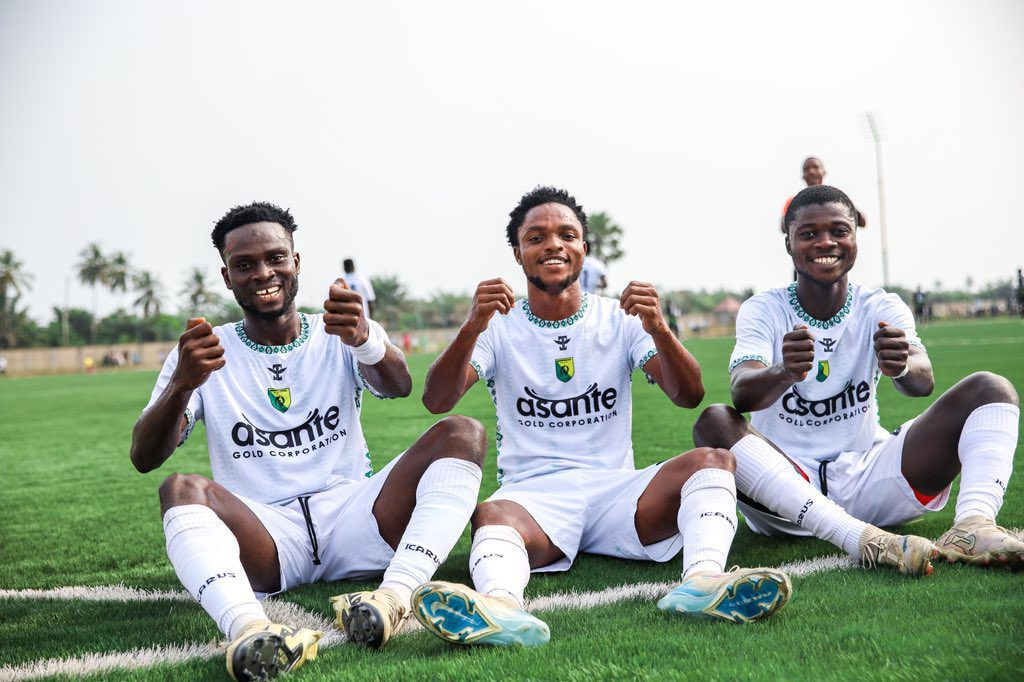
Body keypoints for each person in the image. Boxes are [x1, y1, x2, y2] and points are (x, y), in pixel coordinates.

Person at [411, 186, 791, 649]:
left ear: (583, 250)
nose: (553, 244)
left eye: (566, 234)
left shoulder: (621, 319)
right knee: (491, 512)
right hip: (535, 496)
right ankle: (501, 608)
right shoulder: (497, 325)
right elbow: (437, 400)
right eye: (536, 237)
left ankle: (702, 582)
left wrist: (659, 328)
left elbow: (687, 395)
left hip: (618, 492)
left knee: (712, 460)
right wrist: (471, 325)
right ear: (517, 253)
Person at [130, 202, 487, 679]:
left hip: (356, 517)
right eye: (245, 264)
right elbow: (145, 457)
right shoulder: (206, 349)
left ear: (296, 262)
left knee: (462, 433)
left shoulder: (337, 326)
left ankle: (395, 598)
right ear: (226, 275)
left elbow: (398, 385)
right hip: (267, 535)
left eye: (275, 257)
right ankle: (250, 628)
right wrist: (182, 384)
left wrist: (364, 339)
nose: (263, 273)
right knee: (179, 488)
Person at [694, 185, 1021, 578]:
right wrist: (783, 372)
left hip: (869, 476)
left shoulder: (881, 305)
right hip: (785, 489)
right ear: (789, 244)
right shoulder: (764, 308)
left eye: (839, 230)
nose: (825, 242)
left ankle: (973, 525)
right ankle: (863, 540)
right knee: (714, 420)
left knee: (992, 388)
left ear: (855, 237)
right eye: (809, 233)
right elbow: (741, 392)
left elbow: (921, 382)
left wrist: (900, 365)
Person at [780, 157, 866, 234]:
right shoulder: (794, 201)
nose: (812, 171)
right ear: (803, 176)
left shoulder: (836, 197)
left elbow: (862, 222)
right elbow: (783, 227)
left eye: (816, 167)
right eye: (807, 169)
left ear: (824, 172)